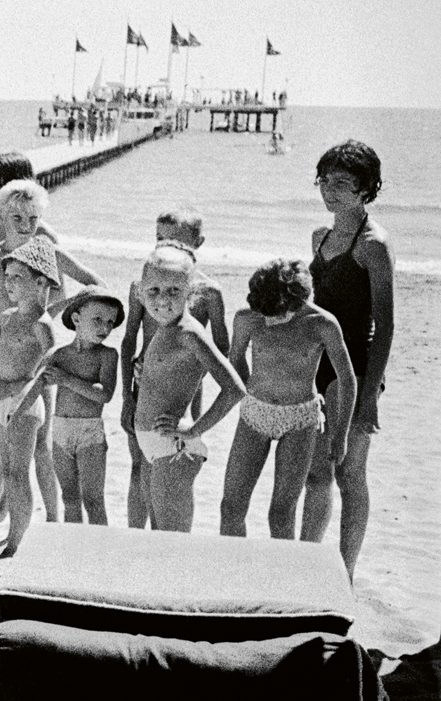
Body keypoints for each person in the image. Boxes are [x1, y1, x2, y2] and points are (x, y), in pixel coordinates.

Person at [0, 181, 102, 527]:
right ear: (1, 214)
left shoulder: (48, 253)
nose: (25, 224)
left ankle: (53, 522)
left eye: (32, 217)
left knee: (41, 449)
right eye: (16, 216)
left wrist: (46, 311)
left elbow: (94, 286)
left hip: (32, 360)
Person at [301, 141, 394, 577]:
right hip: (316, 365)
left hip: (353, 369)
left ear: (365, 189)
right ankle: (308, 569)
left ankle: (346, 572)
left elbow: (385, 325)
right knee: (315, 474)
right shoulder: (319, 237)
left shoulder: (374, 245)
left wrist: (371, 393)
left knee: (349, 473)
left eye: (342, 183)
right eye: (326, 180)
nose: (330, 190)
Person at [220, 260, 354, 541]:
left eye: (276, 314)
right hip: (255, 413)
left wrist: (340, 435)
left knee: (280, 513)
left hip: (300, 419)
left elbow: (347, 380)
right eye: (263, 312)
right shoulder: (248, 318)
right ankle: (231, 573)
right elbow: (235, 361)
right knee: (231, 507)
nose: (268, 320)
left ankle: (283, 579)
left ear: (298, 301)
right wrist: (251, 390)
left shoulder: (322, 324)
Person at [119, 210, 228, 528]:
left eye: (178, 241)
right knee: (140, 464)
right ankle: (136, 539)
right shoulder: (143, 286)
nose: (169, 248)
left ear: (199, 243)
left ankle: (165, 535)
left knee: (174, 463)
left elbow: (222, 349)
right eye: (161, 240)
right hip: (141, 384)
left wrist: (192, 375)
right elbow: (128, 341)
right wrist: (126, 396)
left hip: (184, 387)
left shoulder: (207, 292)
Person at [133, 244, 246, 533]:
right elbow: (174, 375)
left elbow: (234, 389)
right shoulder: (165, 327)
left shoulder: (189, 333)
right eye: (154, 291)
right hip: (154, 445)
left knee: (174, 541)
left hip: (175, 448)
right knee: (161, 537)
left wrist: (194, 430)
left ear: (190, 293)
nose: (162, 299)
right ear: (140, 292)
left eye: (174, 291)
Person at [0, 238, 60, 556]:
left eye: (18, 277)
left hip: (25, 405)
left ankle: (17, 541)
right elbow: (6, 358)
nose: (9, 283)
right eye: (7, 276)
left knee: (18, 473)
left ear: (40, 282)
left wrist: (10, 390)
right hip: (3, 401)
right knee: (8, 469)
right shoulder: (10, 316)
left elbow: (48, 372)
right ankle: (15, 530)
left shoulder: (42, 324)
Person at [42, 289, 123, 525]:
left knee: (93, 500)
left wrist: (66, 380)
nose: (105, 328)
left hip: (89, 433)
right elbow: (35, 380)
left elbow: (104, 395)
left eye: (110, 322)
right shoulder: (59, 354)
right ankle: (73, 551)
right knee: (69, 498)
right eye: (97, 320)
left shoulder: (107, 355)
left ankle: (99, 553)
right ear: (76, 319)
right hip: (60, 431)